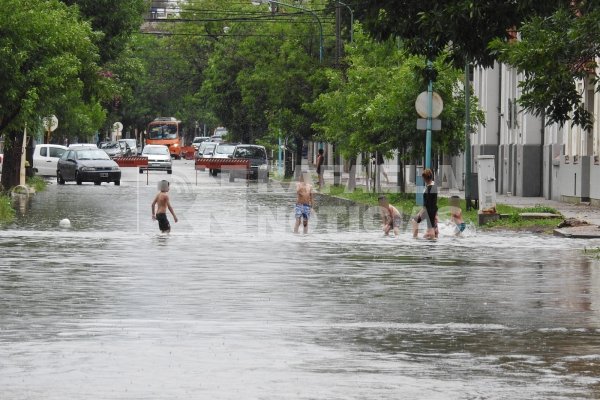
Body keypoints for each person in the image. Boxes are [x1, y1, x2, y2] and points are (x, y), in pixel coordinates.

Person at [411, 168, 438, 239]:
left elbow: (426, 203)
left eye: (423, 178)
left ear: (425, 178)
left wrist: (420, 212)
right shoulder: (434, 185)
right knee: (430, 227)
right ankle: (433, 240)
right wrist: (436, 212)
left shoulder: (429, 188)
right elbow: (434, 201)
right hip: (433, 210)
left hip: (428, 210)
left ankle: (415, 237)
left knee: (414, 221)